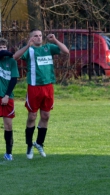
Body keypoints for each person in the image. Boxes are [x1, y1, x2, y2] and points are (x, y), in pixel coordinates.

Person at [13, 29, 69, 159]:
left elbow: (66, 51)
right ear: (31, 38)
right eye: (35, 36)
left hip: (48, 86)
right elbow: (15, 57)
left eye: (40, 36)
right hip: (34, 87)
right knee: (32, 116)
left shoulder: (48, 47)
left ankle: (39, 143)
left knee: (46, 115)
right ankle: (29, 146)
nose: (38, 38)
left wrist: (54, 40)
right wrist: (27, 45)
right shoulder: (29, 50)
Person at [0, 38, 19, 161]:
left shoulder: (11, 61)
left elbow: (14, 79)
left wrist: (7, 95)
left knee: (8, 125)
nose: (2, 50)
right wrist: (11, 53)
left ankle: (8, 153)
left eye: (4, 48)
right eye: (0, 48)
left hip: (7, 97)